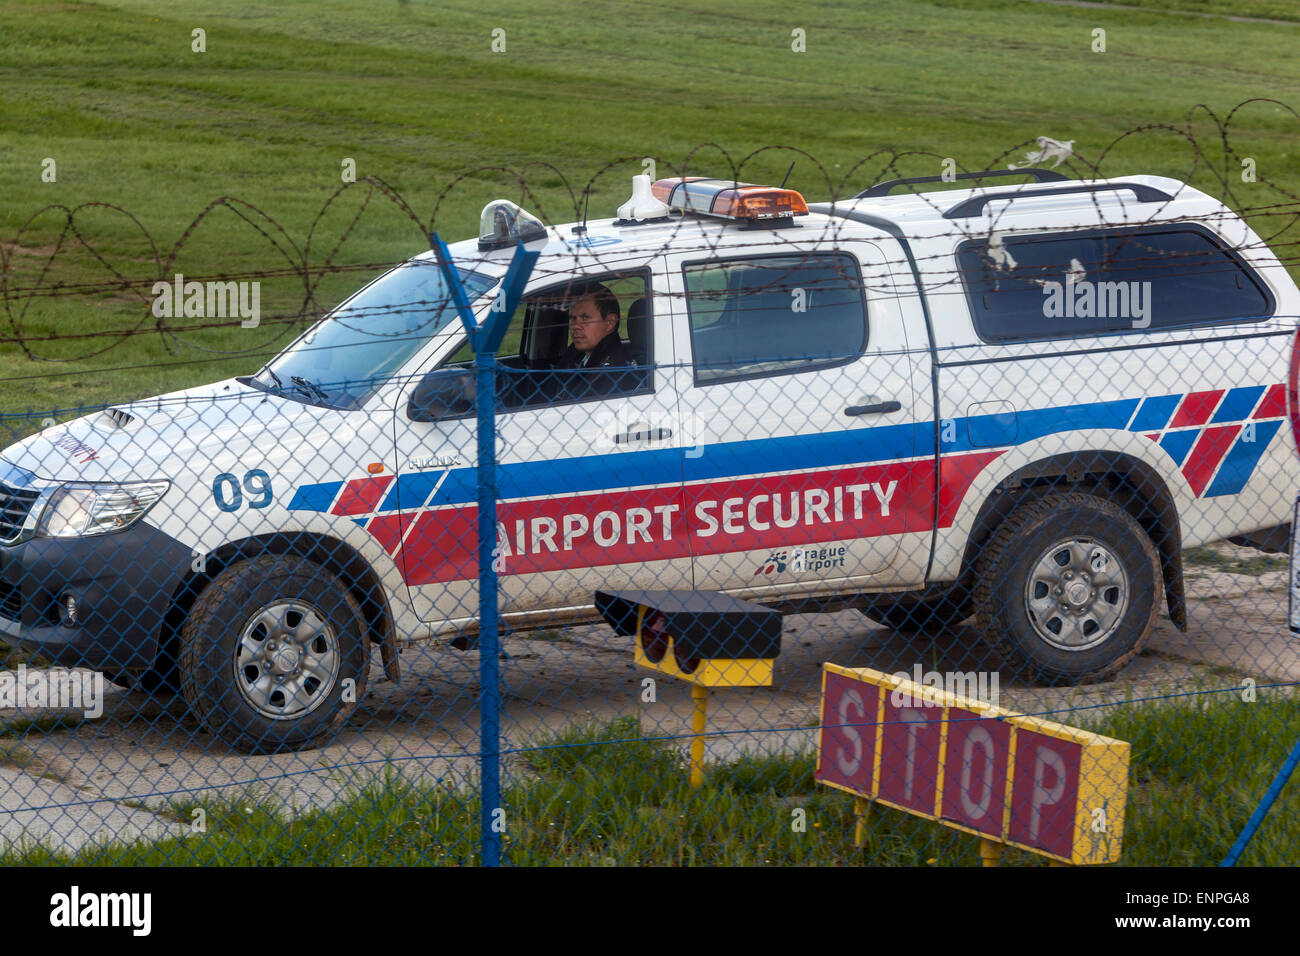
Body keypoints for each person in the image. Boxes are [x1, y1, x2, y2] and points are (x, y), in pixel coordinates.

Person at [548, 284, 638, 401]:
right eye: (573, 318)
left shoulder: (612, 373)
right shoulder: (577, 353)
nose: (575, 326)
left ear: (610, 322)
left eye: (585, 318)